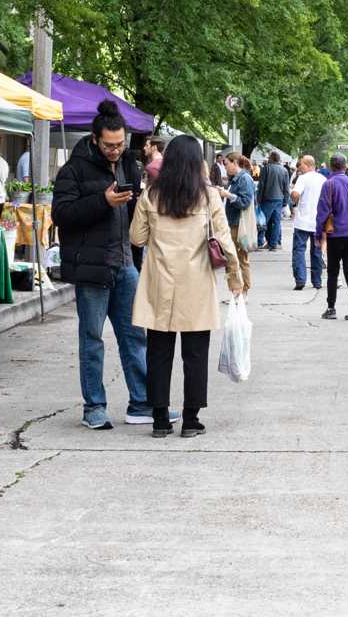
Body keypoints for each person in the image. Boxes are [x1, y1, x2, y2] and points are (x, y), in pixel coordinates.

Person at [130, 136, 245, 439]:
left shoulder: (151, 196)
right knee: (195, 354)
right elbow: (223, 241)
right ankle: (191, 419)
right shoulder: (209, 197)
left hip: (159, 283)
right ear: (198, 162)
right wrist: (235, 278)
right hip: (196, 283)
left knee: (158, 353)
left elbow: (137, 238)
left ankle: (159, 419)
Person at [52, 101, 152, 430]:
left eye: (120, 144)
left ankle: (142, 402)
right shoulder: (74, 170)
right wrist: (102, 202)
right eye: (109, 145)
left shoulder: (129, 165)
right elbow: (62, 215)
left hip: (126, 263)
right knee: (92, 339)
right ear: (95, 139)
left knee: (135, 337)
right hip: (92, 268)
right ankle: (94, 406)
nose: (115, 150)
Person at [316, 152, 348, 320]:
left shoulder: (329, 184)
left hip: (338, 233)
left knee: (333, 271)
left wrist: (318, 234)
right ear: (346, 166)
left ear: (332, 166)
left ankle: (331, 308)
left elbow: (322, 212)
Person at [289, 153, 326, 291]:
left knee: (299, 250)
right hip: (318, 222)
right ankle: (317, 281)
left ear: (308, 165)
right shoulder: (323, 179)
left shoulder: (302, 178)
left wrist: (292, 194)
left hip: (303, 222)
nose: (300, 167)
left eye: (301, 164)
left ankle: (300, 279)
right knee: (316, 251)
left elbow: (295, 195)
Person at [256, 148, 292, 251]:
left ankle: (260, 242)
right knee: (276, 222)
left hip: (267, 199)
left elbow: (261, 186)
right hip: (279, 199)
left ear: (270, 158)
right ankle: (274, 244)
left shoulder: (265, 168)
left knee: (263, 221)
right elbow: (286, 187)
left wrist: (258, 200)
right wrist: (285, 201)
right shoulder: (284, 170)